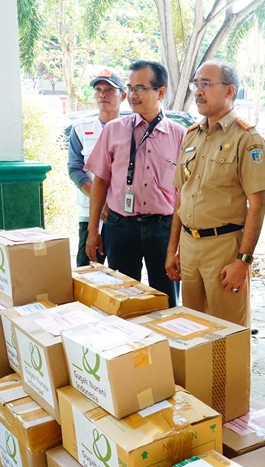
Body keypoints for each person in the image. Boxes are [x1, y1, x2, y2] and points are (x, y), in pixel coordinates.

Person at [166, 60, 265, 328]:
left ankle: (230, 373)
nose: (198, 91)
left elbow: (258, 205)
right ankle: (201, 374)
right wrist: (173, 249)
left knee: (227, 334)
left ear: (229, 91)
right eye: (196, 84)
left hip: (224, 248)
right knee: (193, 331)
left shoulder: (247, 139)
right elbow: (182, 194)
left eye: (206, 84)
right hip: (189, 248)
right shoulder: (192, 135)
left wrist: (243, 262)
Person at [84, 60, 185, 307]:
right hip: (120, 227)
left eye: (140, 88)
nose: (132, 95)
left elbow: (185, 192)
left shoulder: (180, 135)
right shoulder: (114, 130)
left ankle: (166, 345)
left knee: (166, 301)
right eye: (130, 88)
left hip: (163, 229)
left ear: (160, 92)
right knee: (122, 301)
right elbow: (101, 182)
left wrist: (180, 242)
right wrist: (93, 230)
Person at [67, 68, 126, 267]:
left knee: (120, 273)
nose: (103, 94)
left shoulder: (132, 129)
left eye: (110, 90)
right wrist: (99, 198)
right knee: (88, 270)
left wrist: (113, 202)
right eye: (99, 89)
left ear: (123, 96)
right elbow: (75, 168)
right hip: (89, 213)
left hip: (122, 216)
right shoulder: (81, 128)